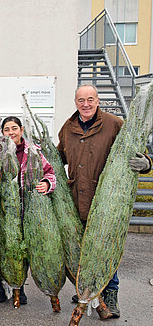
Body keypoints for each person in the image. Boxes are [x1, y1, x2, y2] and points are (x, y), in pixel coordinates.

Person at [58, 84, 152, 318]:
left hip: (106, 200)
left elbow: (135, 149)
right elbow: (59, 156)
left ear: (98, 100)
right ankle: (86, 289)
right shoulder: (68, 128)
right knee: (80, 249)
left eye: (90, 99)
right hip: (76, 198)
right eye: (81, 100)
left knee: (105, 249)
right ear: (75, 102)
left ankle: (110, 293)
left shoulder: (114, 124)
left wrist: (147, 163)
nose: (86, 104)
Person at [0, 116, 57, 305]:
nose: (11, 133)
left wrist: (46, 183)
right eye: (6, 129)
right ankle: (2, 286)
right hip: (3, 208)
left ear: (21, 130)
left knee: (21, 250)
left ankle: (20, 286)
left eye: (14, 128)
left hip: (26, 209)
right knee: (3, 247)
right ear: (2, 132)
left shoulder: (33, 152)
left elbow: (49, 172)